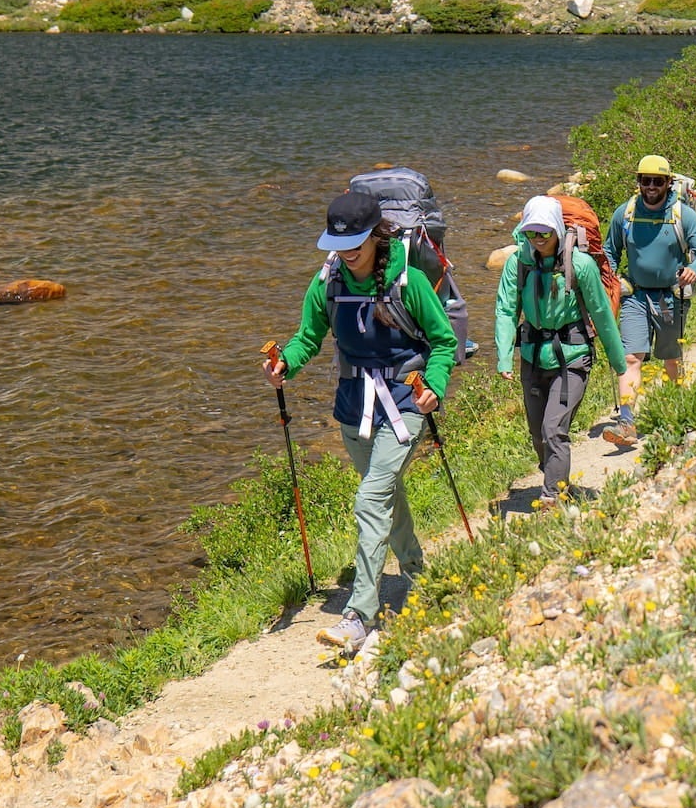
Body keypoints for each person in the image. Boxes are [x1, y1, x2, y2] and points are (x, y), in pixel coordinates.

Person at [265, 189, 457, 656]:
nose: (345, 250)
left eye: (354, 241)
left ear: (377, 234)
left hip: (404, 404)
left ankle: (359, 615)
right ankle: (421, 579)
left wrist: (433, 384)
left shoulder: (407, 281)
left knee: (371, 498)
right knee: (387, 496)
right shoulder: (327, 281)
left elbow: (444, 341)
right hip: (354, 409)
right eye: (336, 241)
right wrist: (285, 363)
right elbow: (308, 336)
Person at [496, 195, 627, 505]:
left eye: (544, 232)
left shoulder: (579, 265)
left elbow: (600, 313)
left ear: (556, 229)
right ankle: (557, 478)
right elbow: (506, 310)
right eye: (531, 232)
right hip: (532, 356)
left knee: (554, 428)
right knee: (538, 434)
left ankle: (552, 498)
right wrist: (504, 356)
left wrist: (618, 361)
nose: (538, 239)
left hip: (573, 357)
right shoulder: (519, 264)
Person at [601, 154, 696, 443]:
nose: (651, 186)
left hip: (669, 298)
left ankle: (677, 411)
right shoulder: (623, 214)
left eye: (657, 181)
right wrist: (608, 280)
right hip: (635, 296)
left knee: (671, 359)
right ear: (638, 181)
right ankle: (627, 422)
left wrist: (694, 270)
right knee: (630, 357)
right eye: (645, 180)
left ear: (668, 183)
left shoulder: (682, 215)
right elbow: (610, 252)